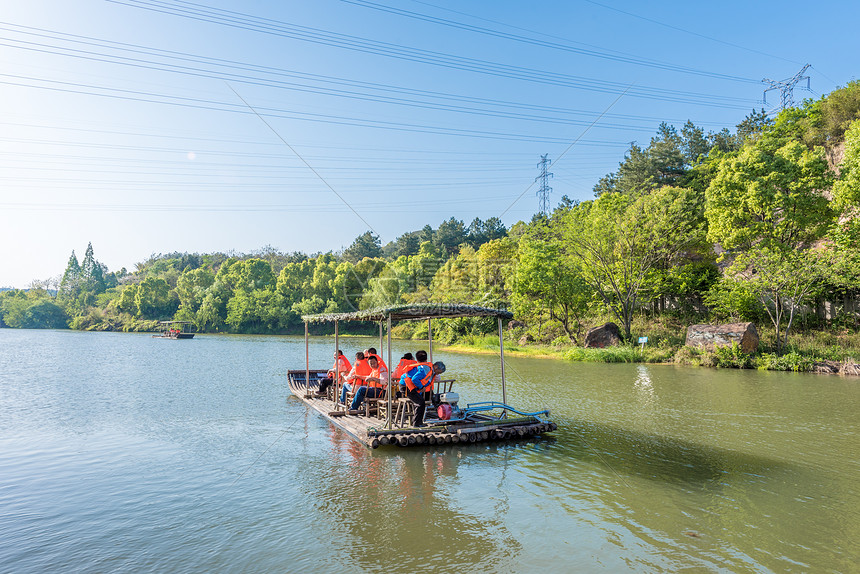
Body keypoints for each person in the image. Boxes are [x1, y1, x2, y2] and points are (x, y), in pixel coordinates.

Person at [399, 352, 445, 427]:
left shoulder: (431, 370)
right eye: (438, 372)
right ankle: (416, 424)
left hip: (412, 386)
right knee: (420, 403)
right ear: (436, 367)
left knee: (432, 398)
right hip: (406, 386)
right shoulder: (426, 369)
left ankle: (436, 417)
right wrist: (421, 387)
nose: (437, 374)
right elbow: (414, 379)